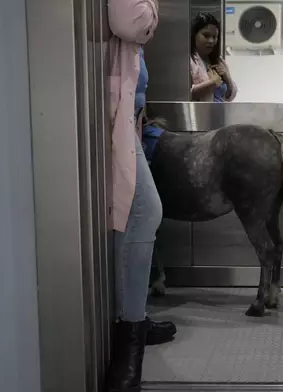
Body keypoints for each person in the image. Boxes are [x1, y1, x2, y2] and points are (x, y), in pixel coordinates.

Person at [106, 1, 176, 391]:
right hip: (113, 118)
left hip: (126, 120)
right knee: (145, 212)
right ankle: (129, 338)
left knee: (134, 215)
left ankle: (135, 319)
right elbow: (129, 20)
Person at [190, 12, 238, 102]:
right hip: (200, 114)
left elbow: (230, 96)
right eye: (206, 36)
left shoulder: (218, 60)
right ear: (194, 35)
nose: (211, 41)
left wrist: (227, 78)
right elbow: (184, 95)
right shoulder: (189, 61)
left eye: (214, 37)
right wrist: (212, 83)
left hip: (220, 114)